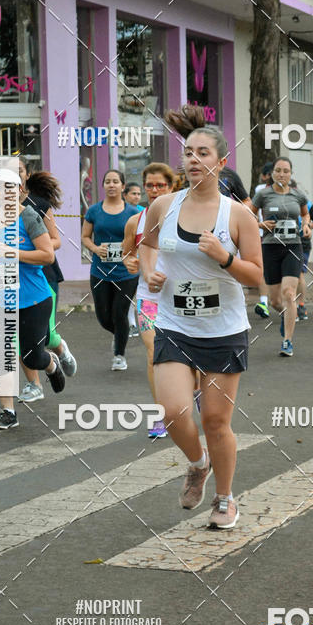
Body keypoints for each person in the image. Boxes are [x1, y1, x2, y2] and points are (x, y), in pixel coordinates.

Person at [139, 105, 262, 529]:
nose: (193, 160)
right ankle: (197, 463)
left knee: (214, 420)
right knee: (173, 411)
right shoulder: (164, 206)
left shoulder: (238, 215)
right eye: (188, 153)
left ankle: (226, 498)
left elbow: (257, 276)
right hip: (175, 324)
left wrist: (224, 257)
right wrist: (149, 272)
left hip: (224, 329)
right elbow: (146, 245)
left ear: (221, 162)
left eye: (203, 153)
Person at [0, 167, 65, 429]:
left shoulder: (30, 218)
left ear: (21, 191)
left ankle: (50, 364)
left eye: (9, 187)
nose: (4, 192)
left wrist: (13, 252)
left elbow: (47, 255)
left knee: (32, 357)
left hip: (33, 298)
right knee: (1, 354)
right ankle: (7, 411)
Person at [16, 158, 77, 402]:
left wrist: (28, 249)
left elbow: (55, 240)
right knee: (17, 338)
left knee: (46, 336)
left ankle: (59, 348)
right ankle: (34, 385)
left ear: (26, 175)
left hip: (43, 277)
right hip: (11, 282)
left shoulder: (39, 204)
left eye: (18, 171)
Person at [122, 162, 175, 438]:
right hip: (148, 296)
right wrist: (131, 262)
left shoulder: (186, 216)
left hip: (182, 296)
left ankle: (196, 390)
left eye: (160, 185)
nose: (154, 190)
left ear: (171, 186)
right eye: (150, 185)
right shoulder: (136, 221)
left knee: (191, 353)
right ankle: (160, 416)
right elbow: (126, 255)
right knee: (155, 352)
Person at [251, 158, 311, 356]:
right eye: (278, 170)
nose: (282, 174)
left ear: (290, 174)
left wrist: (305, 225)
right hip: (270, 247)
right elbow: (248, 215)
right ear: (272, 174)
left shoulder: (298, 195)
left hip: (293, 246)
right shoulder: (263, 195)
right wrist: (260, 225)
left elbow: (306, 214)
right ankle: (288, 318)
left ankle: (287, 341)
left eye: (286, 171)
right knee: (276, 301)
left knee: (289, 293)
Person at [81, 169, 140, 370]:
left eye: (116, 181)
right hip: (100, 271)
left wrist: (132, 253)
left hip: (126, 273)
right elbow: (85, 237)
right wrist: (96, 249)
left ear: (123, 186)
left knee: (119, 313)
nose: (112, 185)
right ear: (104, 185)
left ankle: (119, 355)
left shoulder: (133, 213)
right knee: (104, 316)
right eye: (108, 181)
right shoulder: (94, 211)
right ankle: (120, 334)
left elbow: (142, 240)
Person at [253, 162, 273, 318]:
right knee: (263, 269)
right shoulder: (260, 190)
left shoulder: (291, 192)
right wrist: (259, 225)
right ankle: (264, 302)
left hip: (285, 238)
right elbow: (252, 212)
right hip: (262, 234)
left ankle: (292, 303)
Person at [296, 200, 313, 320]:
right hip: (283, 242)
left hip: (302, 242)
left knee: (299, 274)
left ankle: (300, 306)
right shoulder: (277, 200)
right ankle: (290, 305)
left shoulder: (306, 203)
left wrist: (307, 226)